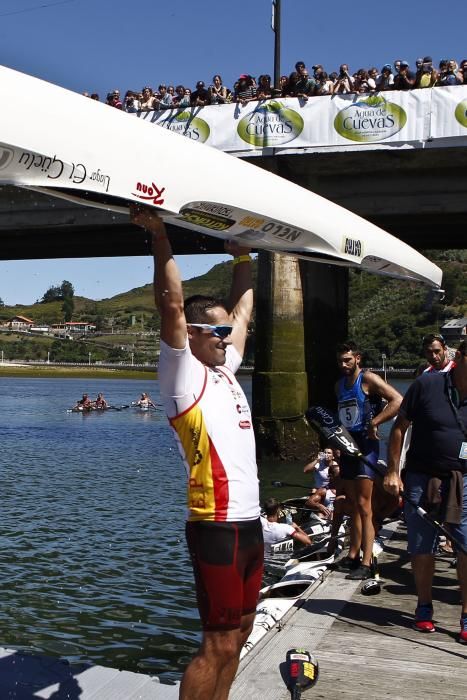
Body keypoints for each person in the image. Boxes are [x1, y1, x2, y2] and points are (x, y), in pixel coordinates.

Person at [131, 206, 263, 700]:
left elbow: (244, 310)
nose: (230, 338)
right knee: (217, 644)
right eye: (220, 332)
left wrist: (244, 257)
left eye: (230, 333)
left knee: (242, 638)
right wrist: (160, 233)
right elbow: (171, 303)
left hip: (249, 524)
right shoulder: (183, 376)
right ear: (195, 334)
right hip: (215, 524)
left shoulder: (227, 368)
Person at [384, 340, 467, 643]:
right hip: (421, 477)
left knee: (466, 546)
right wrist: (393, 471)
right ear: (459, 357)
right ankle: (424, 606)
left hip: (462, 480)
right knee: (422, 548)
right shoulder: (427, 384)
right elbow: (399, 427)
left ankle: (466, 615)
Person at [333, 341, 402, 579]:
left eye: (348, 360)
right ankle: (352, 555)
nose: (344, 364)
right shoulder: (339, 386)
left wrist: (375, 422)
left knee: (365, 505)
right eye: (340, 361)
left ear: (358, 358)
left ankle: (367, 560)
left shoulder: (368, 379)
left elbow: (397, 400)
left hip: (366, 447)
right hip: (348, 447)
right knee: (353, 505)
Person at [303, 447, 339, 519]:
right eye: (325, 452)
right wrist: (317, 460)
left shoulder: (336, 466)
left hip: (332, 489)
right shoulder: (319, 464)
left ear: (333, 456)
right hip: (319, 490)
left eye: (329, 453)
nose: (326, 454)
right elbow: (305, 470)